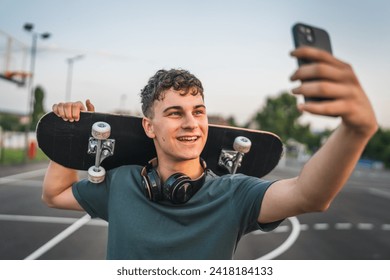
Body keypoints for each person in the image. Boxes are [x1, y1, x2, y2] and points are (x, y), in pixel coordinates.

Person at [42, 46, 377, 259]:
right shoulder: (122, 183)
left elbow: (309, 195)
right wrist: (69, 136)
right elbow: (55, 195)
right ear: (149, 126)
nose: (192, 123)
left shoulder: (234, 193)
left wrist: (355, 130)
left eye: (198, 111)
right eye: (175, 113)